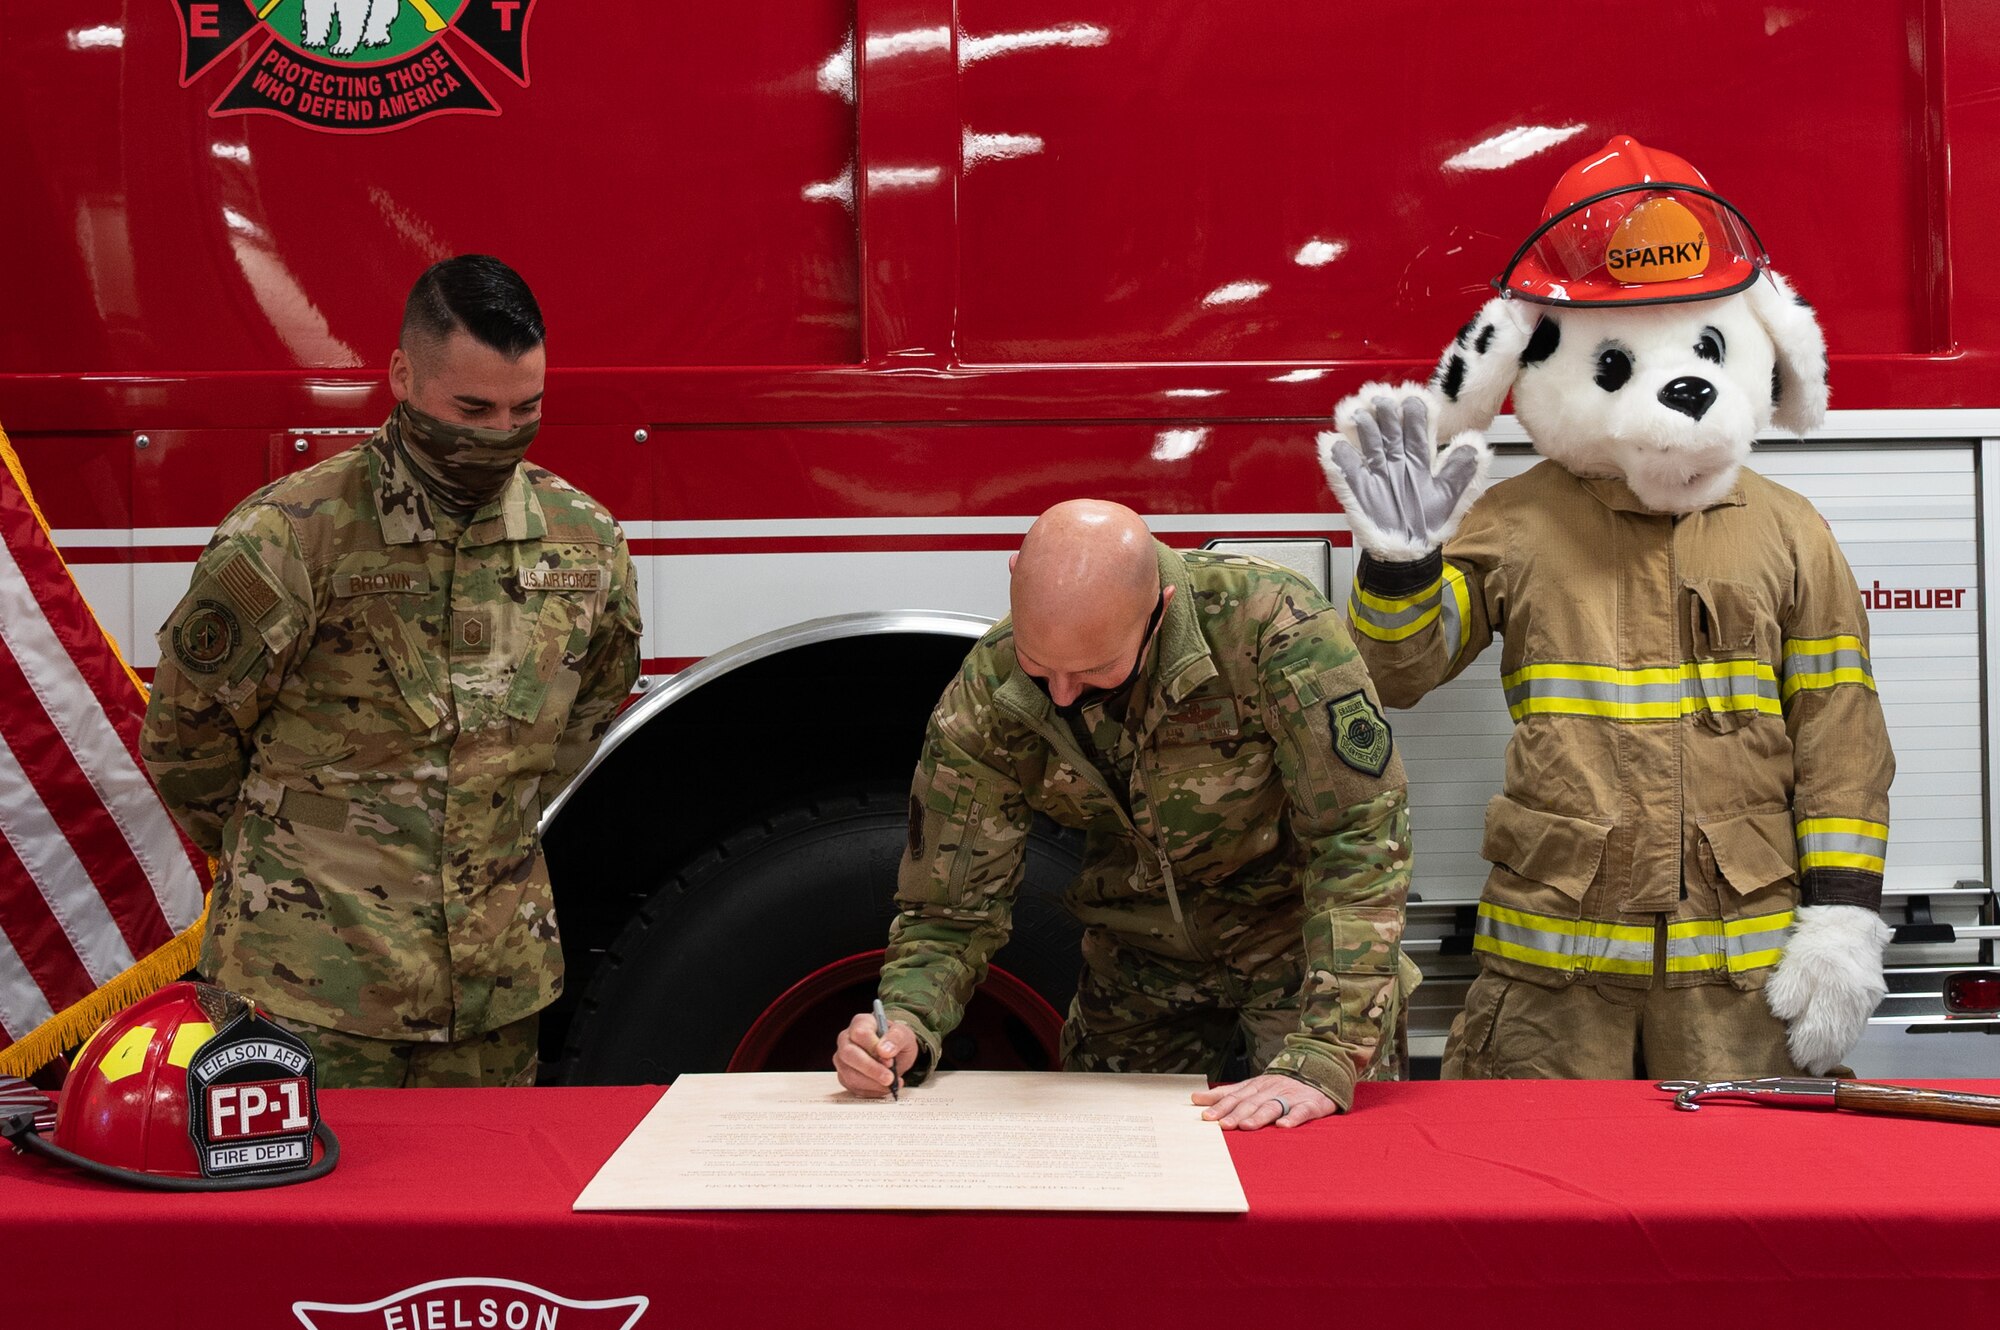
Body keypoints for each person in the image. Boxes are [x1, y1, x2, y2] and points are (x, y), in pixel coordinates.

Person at [139, 255, 643, 1088]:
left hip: (494, 997)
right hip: (306, 993)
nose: (498, 433)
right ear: (403, 375)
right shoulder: (291, 538)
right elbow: (188, 746)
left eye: (527, 409)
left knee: (480, 1212)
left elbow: (584, 716)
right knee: (298, 1217)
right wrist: (300, 855)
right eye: (472, 408)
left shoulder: (584, 541)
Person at [833, 500, 1415, 1128]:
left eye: (1095, 671)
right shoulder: (988, 695)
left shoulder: (1271, 625)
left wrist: (1327, 1049)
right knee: (1108, 1181)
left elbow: (1358, 837)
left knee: (1320, 1172)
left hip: (1299, 956)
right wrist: (905, 1023)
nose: (1060, 693)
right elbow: (950, 909)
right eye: (1039, 665)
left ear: (1159, 610)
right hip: (1138, 967)